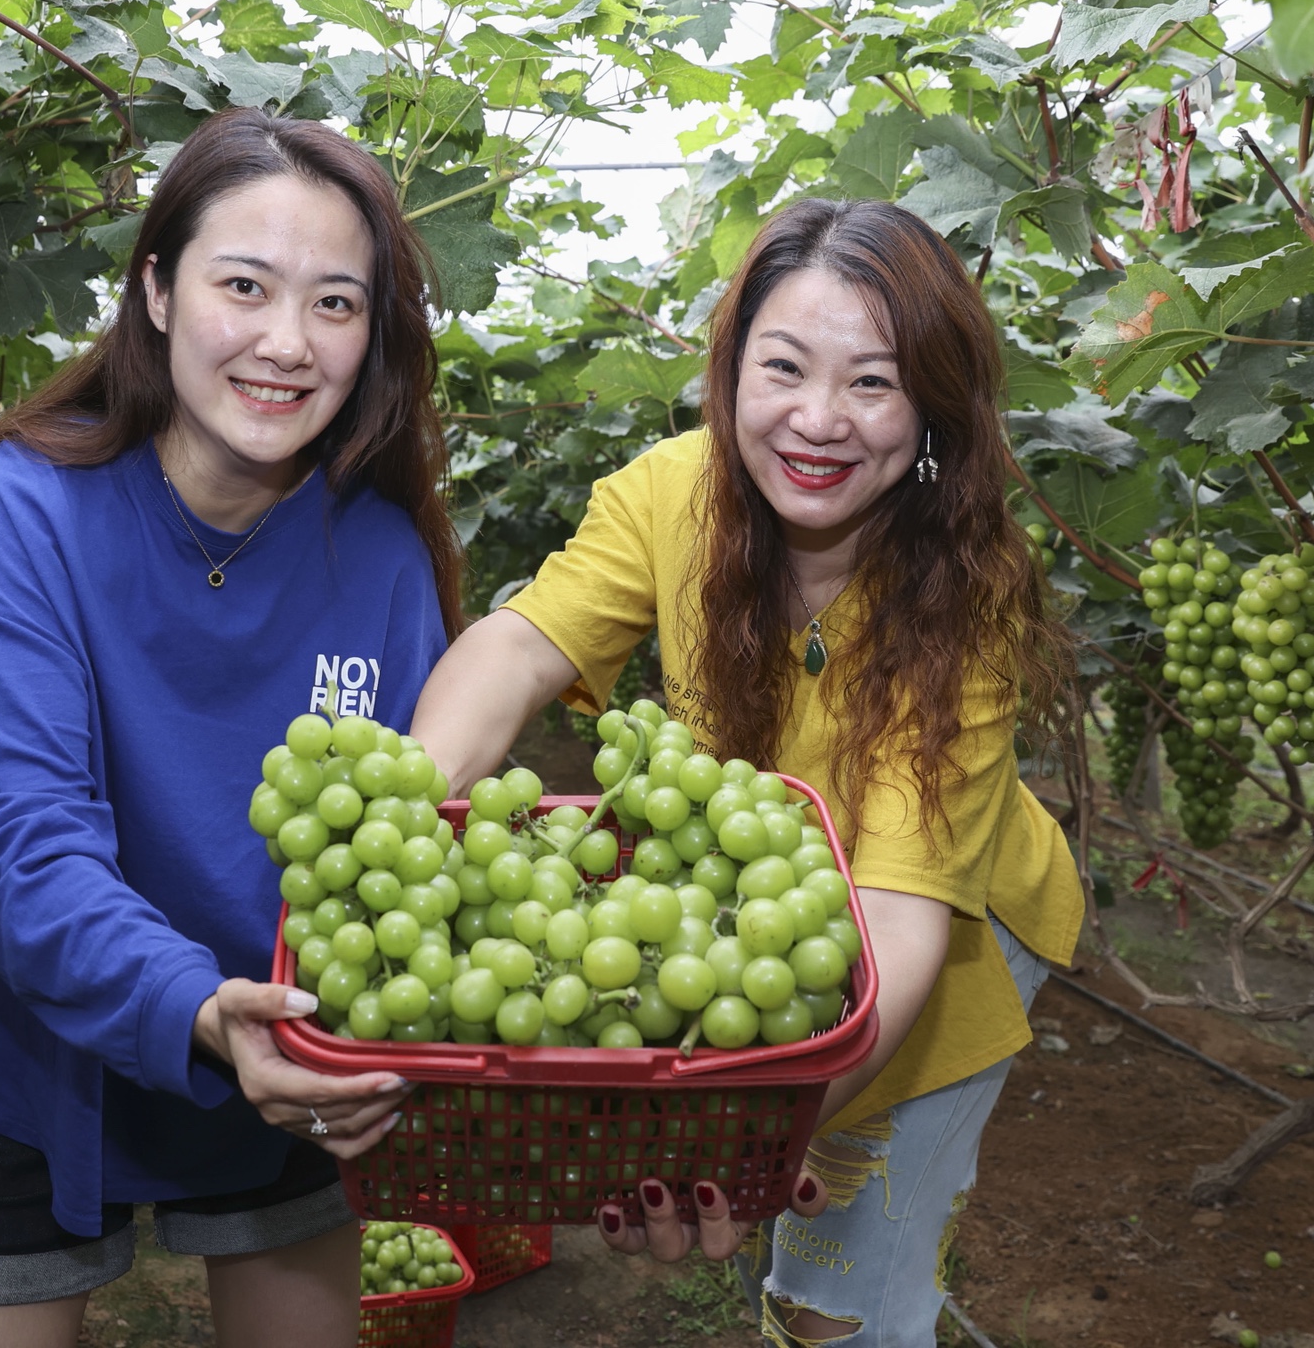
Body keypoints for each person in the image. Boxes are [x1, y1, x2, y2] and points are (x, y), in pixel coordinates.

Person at [412, 198, 1078, 1347]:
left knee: (841, 1299)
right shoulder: (673, 491)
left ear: (932, 408)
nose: (819, 419)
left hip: (942, 938)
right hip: (776, 904)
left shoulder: (968, 592)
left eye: (873, 382)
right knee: (789, 1236)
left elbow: (897, 922)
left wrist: (700, 1145)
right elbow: (522, 645)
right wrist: (412, 807)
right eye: (784, 367)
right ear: (729, 373)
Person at [0, 108, 462, 1348]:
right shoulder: (30, 506)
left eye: (335, 304)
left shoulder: (378, 553)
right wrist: (199, 1009)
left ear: (372, 334)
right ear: (155, 288)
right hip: (33, 1045)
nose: (285, 342)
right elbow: (20, 842)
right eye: (244, 286)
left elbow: (413, 846)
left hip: (293, 1048)